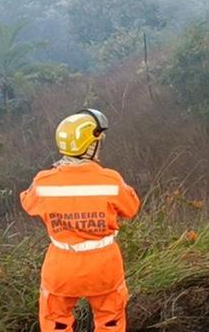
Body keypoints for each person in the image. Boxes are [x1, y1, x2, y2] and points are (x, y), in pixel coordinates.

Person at [20, 109, 141, 332]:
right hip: (103, 266)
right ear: (91, 145)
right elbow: (131, 208)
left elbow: (27, 203)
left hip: (61, 266)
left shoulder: (44, 182)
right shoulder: (110, 180)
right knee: (110, 321)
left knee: (55, 321)